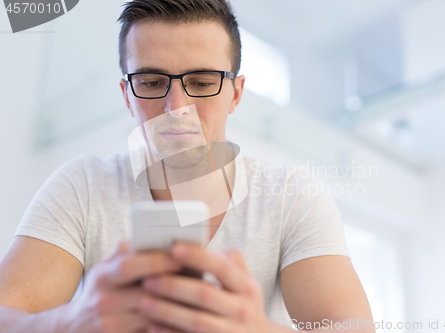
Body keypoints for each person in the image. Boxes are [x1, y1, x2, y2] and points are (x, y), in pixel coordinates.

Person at [0, 0, 375, 332]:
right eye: (150, 82)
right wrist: (70, 322)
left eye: (201, 81)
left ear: (236, 93)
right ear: (127, 96)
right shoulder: (81, 185)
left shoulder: (291, 196)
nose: (176, 108)